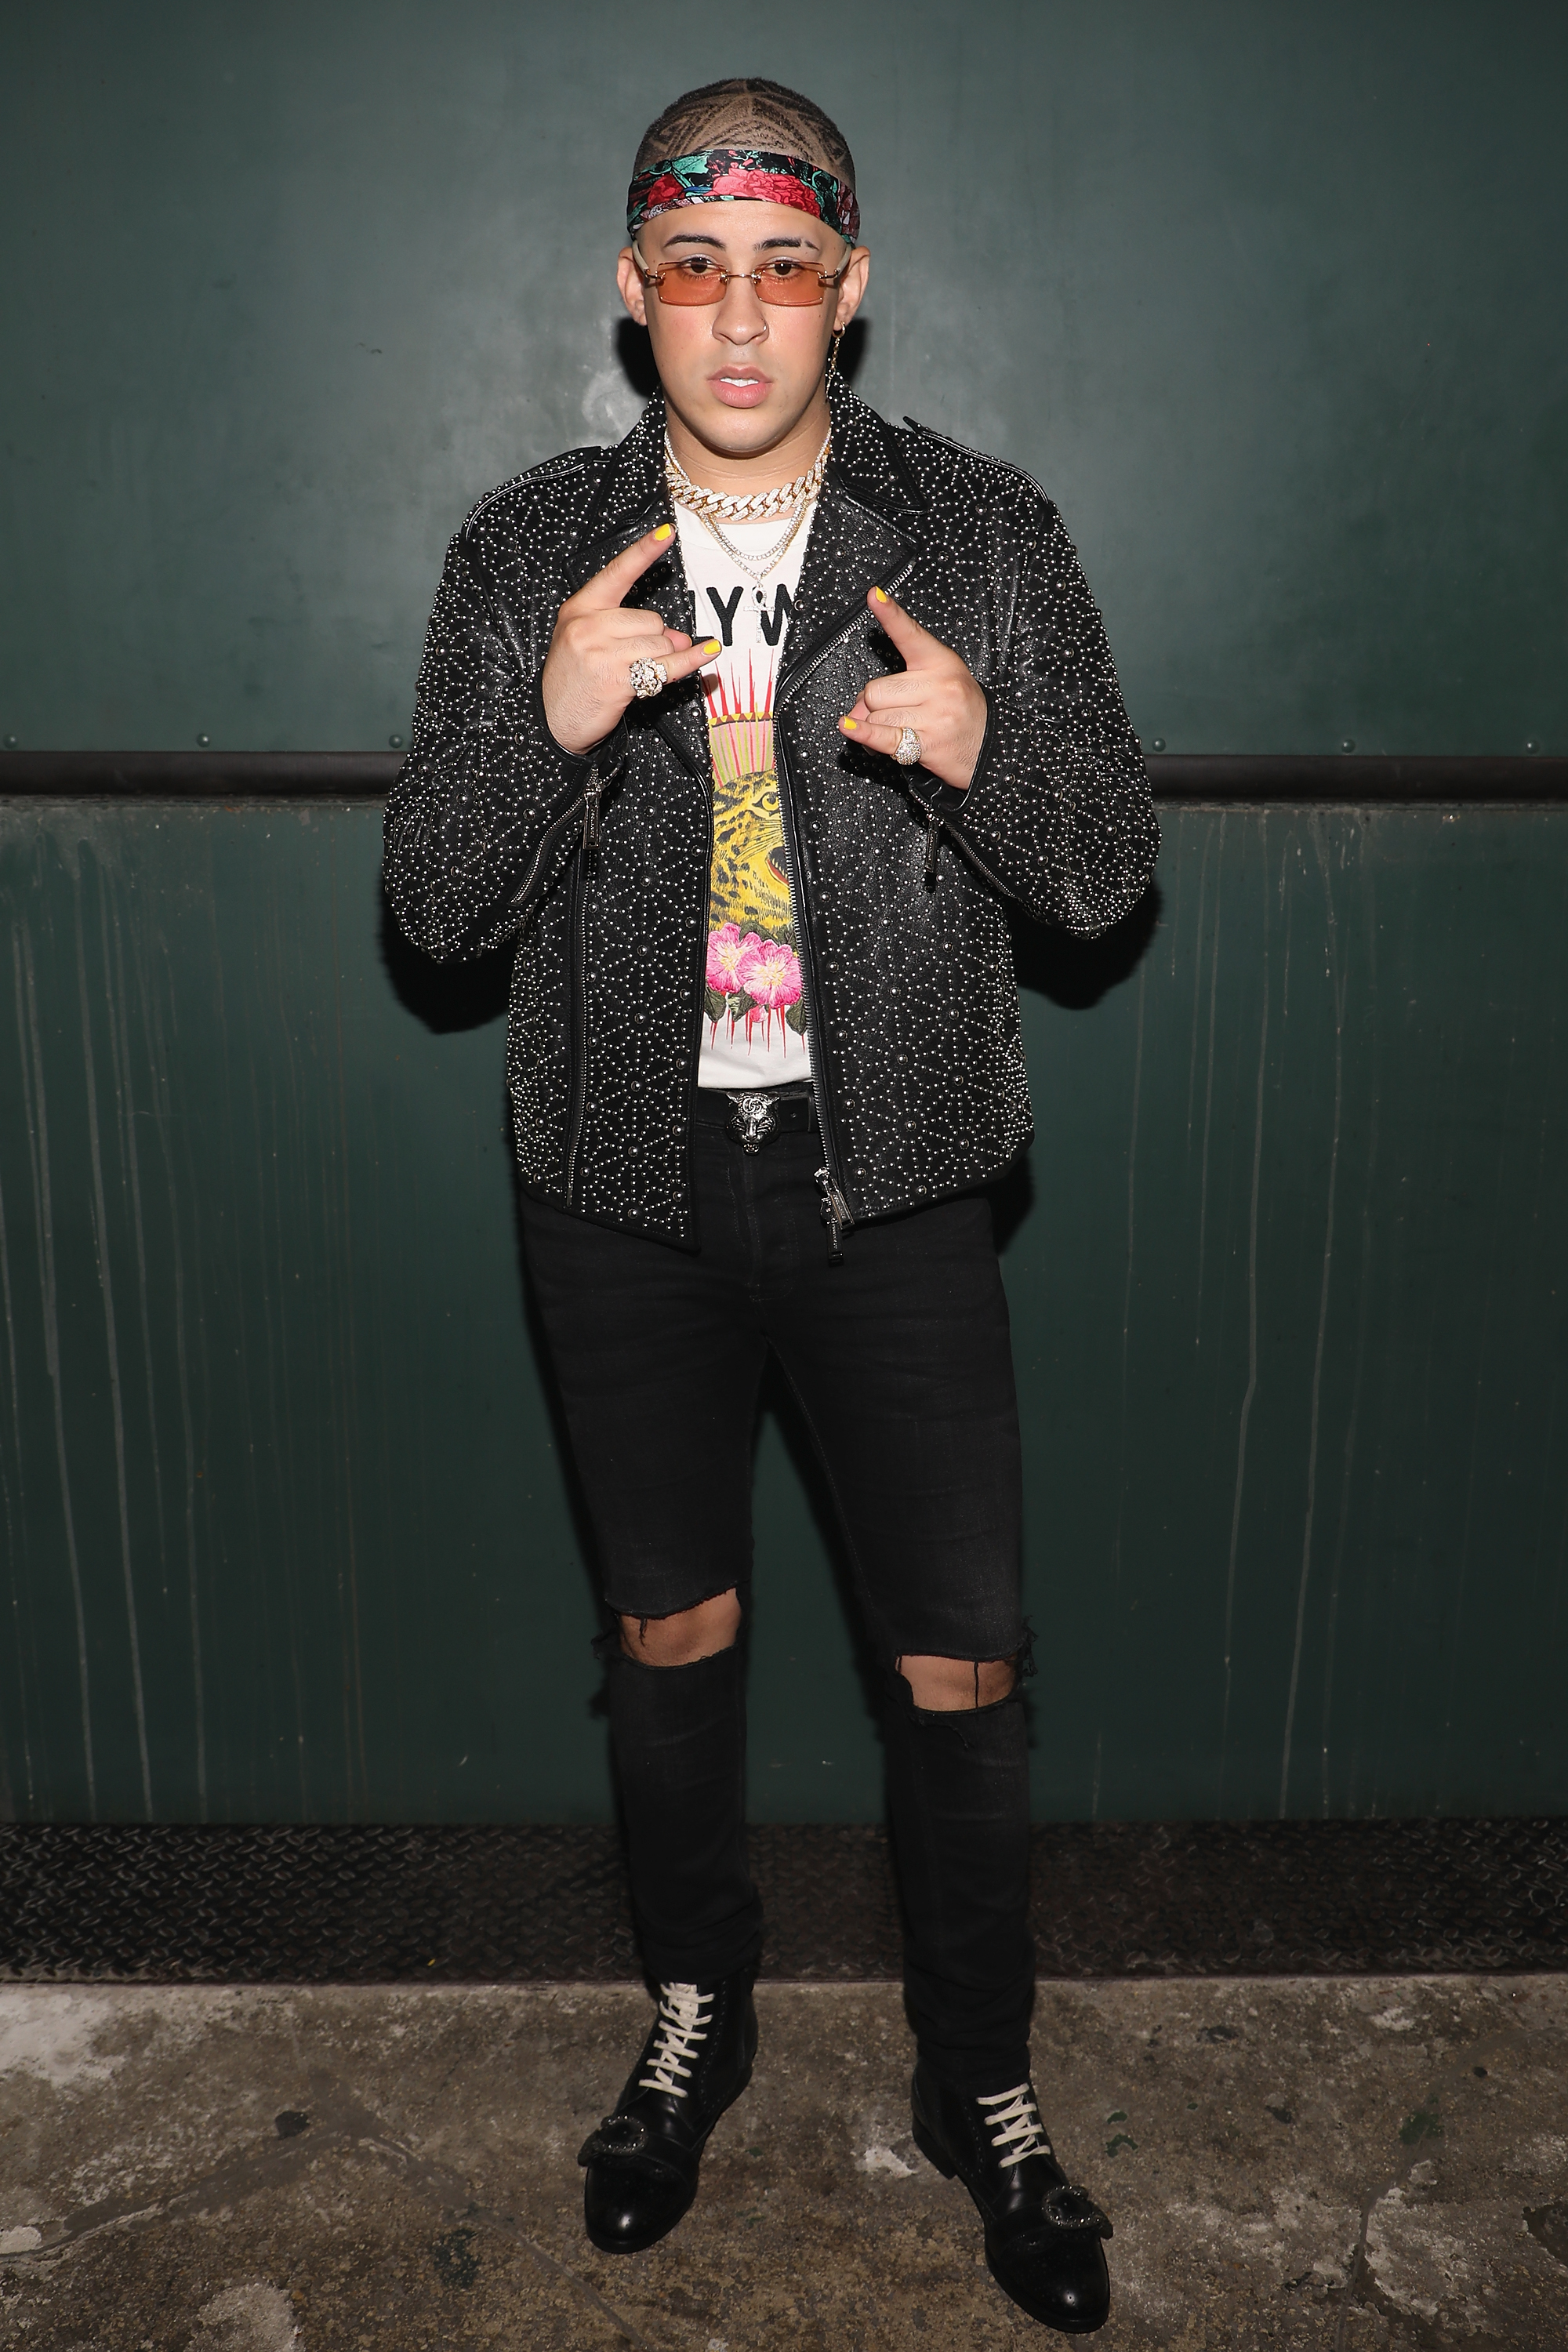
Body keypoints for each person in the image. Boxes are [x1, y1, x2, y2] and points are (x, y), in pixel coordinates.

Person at [384, 75, 1157, 2338]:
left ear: (852, 287)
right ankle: (694, 2014)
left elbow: (1109, 868)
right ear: (636, 297)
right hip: (618, 1191)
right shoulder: (529, 546)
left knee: (962, 1669)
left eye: (787, 267)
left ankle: (983, 2086)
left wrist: (977, 748)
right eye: (695, 270)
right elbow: (434, 918)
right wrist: (542, 726)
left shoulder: (979, 530)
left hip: (896, 1177)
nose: (742, 318)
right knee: (671, 1647)